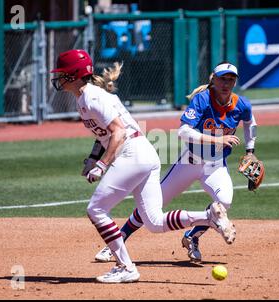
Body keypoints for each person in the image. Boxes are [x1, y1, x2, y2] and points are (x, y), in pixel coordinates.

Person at [50, 49, 236, 283]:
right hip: (144, 154)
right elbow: (104, 134)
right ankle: (209, 216)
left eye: (62, 73)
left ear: (74, 75)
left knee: (96, 209)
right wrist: (91, 158)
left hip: (133, 154)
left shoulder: (92, 97)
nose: (58, 78)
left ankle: (125, 266)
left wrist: (101, 165)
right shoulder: (85, 97)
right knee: (155, 222)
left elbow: (118, 132)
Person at [95, 61, 257, 263]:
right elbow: (183, 131)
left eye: (231, 80)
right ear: (213, 79)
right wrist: (218, 139)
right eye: (222, 78)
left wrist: (250, 151)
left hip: (215, 165)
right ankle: (117, 242)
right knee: (154, 204)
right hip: (189, 163)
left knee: (224, 202)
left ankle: (192, 236)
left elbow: (251, 123)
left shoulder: (241, 104)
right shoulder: (202, 100)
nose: (226, 83)